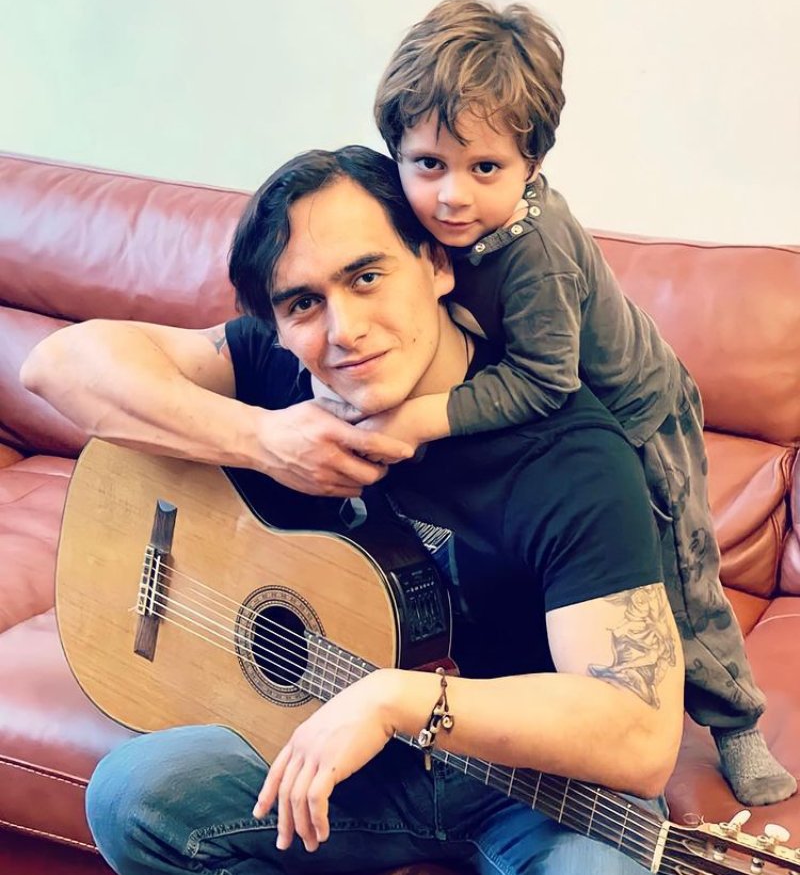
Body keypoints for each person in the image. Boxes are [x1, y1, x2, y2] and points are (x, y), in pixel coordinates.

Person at [22, 145, 684, 875]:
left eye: (367, 277)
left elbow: (640, 738)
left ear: (436, 264)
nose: (344, 330)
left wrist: (394, 699)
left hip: (535, 784)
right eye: (303, 304)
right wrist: (263, 440)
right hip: (338, 755)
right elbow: (55, 365)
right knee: (135, 796)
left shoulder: (568, 453)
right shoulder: (277, 369)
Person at [359, 0, 795, 807]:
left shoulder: (539, 252)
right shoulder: (419, 226)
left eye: (484, 169)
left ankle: (735, 721)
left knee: (681, 575)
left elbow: (543, 379)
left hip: (637, 417)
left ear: (531, 164)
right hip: (555, 442)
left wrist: (417, 419)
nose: (452, 196)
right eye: (428, 165)